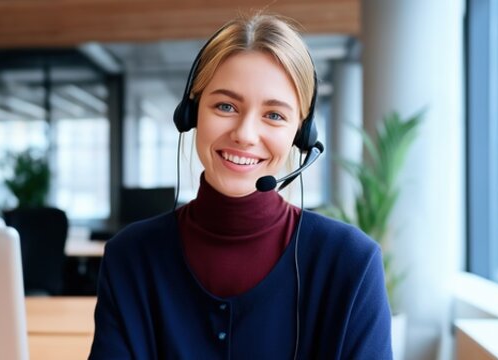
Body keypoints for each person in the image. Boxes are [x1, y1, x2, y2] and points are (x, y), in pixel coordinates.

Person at [89, 13, 392, 359]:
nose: (245, 134)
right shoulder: (131, 257)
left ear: (301, 134)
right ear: (192, 113)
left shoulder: (350, 264)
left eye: (274, 115)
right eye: (226, 106)